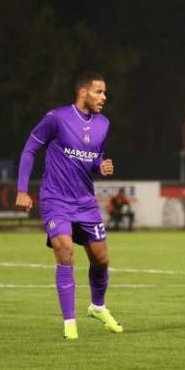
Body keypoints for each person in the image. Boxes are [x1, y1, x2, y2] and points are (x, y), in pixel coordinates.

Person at [15, 71, 123, 340]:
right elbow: (29, 150)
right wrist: (22, 190)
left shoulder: (103, 124)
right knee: (64, 251)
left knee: (101, 258)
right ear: (83, 92)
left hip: (85, 202)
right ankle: (70, 324)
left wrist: (101, 165)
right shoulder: (56, 118)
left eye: (105, 92)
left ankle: (97, 307)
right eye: (99, 92)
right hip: (55, 199)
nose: (104, 97)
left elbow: (94, 158)